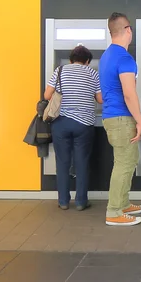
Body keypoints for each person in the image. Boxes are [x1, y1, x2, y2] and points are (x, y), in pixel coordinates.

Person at [100, 12, 141, 226]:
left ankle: (123, 202)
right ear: (128, 30)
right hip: (121, 118)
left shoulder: (107, 56)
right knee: (124, 164)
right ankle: (114, 211)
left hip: (112, 116)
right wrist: (140, 120)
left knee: (128, 161)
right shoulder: (124, 58)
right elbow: (129, 93)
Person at [44, 45, 101, 211]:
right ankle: (81, 202)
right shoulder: (93, 73)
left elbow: (47, 95)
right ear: (88, 61)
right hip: (84, 124)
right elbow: (100, 99)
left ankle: (63, 201)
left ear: (70, 59)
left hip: (61, 122)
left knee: (62, 162)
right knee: (82, 162)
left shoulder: (60, 70)